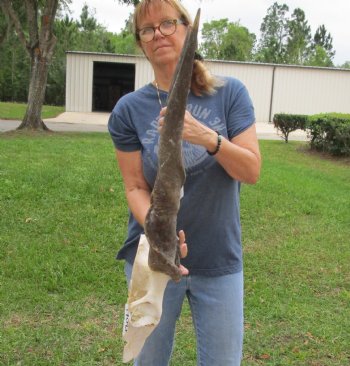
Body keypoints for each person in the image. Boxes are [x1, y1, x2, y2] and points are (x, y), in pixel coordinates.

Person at [108, 0, 261, 364]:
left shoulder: (229, 93)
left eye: (167, 23)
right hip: (153, 257)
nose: (158, 33)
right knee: (148, 359)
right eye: (148, 29)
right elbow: (135, 187)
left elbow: (251, 170)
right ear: (140, 42)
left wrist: (209, 138)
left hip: (219, 258)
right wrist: (159, 231)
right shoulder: (128, 110)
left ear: (186, 29)